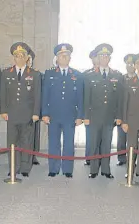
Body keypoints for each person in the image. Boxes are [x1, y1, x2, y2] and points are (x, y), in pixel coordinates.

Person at [42, 43, 84, 178]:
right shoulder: (49, 74)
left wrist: (79, 116)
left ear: (70, 58)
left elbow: (81, 98)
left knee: (68, 144)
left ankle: (67, 169)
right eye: (61, 55)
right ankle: (53, 168)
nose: (64, 58)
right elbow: (45, 95)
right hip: (53, 115)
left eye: (66, 55)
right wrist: (45, 113)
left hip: (70, 115)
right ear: (57, 58)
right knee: (53, 142)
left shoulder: (77, 75)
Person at [0, 42, 41, 177]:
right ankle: (13, 167)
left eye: (22, 55)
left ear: (27, 58)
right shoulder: (6, 73)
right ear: (14, 58)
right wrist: (3, 111)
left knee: (26, 142)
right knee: (12, 142)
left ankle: (25, 168)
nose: (19, 58)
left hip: (27, 114)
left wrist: (36, 113)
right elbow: (3, 94)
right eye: (17, 56)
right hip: (11, 114)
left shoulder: (34, 74)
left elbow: (37, 95)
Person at [83, 43, 124, 179]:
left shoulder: (117, 75)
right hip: (94, 116)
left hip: (109, 116)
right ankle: (94, 169)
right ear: (98, 58)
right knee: (94, 143)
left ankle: (106, 169)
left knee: (107, 143)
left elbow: (119, 99)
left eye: (106, 56)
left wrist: (119, 116)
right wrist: (86, 116)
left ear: (110, 58)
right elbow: (86, 98)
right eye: (101, 56)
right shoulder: (89, 76)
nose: (104, 58)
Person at [117, 53, 137, 166]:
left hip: (134, 113)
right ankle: (121, 158)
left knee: (133, 139)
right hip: (123, 112)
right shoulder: (121, 78)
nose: (130, 65)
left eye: (132, 63)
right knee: (121, 137)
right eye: (128, 63)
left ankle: (132, 160)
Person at [82, 49, 99, 166]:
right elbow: (83, 95)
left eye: (97, 57)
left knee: (103, 138)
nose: (96, 59)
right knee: (90, 136)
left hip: (104, 111)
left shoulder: (112, 74)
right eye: (94, 57)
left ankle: (101, 158)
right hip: (90, 111)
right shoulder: (86, 74)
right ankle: (89, 157)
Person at [27, 48, 42, 165]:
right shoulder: (12, 73)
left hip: (33, 109)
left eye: (30, 59)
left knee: (34, 134)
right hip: (19, 109)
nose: (28, 61)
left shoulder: (37, 74)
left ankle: (33, 156)